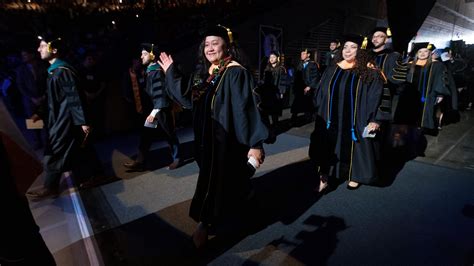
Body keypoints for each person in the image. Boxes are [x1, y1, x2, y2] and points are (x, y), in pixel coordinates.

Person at [158, 25, 268, 248]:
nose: (209, 48)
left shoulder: (236, 72)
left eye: (214, 43)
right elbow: (189, 99)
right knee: (233, 182)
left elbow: (247, 109)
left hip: (227, 141)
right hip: (206, 141)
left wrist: (255, 143)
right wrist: (171, 71)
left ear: (226, 46)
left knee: (215, 183)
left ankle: (204, 225)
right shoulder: (206, 74)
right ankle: (248, 211)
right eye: (206, 44)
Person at [26, 35, 102, 200]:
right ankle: (95, 175)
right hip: (57, 118)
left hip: (64, 120)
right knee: (79, 150)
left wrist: (82, 121)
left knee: (55, 152)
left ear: (54, 49)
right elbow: (52, 97)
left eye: (42, 46)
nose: (39, 49)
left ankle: (50, 187)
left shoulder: (63, 71)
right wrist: (39, 112)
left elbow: (73, 97)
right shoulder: (54, 71)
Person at [309, 35, 384, 191]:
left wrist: (375, 119)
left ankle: (354, 174)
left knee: (356, 146)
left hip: (356, 118)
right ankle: (325, 175)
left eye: (353, 47)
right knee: (327, 144)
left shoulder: (369, 71)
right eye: (345, 47)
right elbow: (321, 92)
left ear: (360, 51)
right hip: (331, 118)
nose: (348, 50)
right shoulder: (333, 68)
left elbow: (378, 96)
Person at [123, 43, 181, 171]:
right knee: (146, 134)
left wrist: (154, 113)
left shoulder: (156, 71)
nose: (141, 57)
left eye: (144, 54)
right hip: (153, 109)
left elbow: (160, 94)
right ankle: (140, 161)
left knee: (169, 133)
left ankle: (177, 158)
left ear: (152, 55)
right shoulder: (149, 71)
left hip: (160, 110)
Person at [391, 43, 452, 134]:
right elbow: (401, 79)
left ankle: (420, 128)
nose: (422, 53)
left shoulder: (437, 65)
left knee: (424, 112)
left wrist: (440, 93)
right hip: (409, 94)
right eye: (420, 51)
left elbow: (441, 79)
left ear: (430, 53)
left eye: (425, 51)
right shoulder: (409, 64)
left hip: (427, 94)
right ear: (416, 53)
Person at [257, 50, 287, 143]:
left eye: (273, 57)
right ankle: (267, 130)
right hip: (267, 93)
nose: (271, 59)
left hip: (276, 93)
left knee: (274, 112)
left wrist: (282, 92)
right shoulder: (267, 68)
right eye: (270, 58)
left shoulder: (281, 69)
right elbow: (263, 80)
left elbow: (283, 81)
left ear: (277, 59)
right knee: (265, 112)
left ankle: (274, 128)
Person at [291, 48, 321, 123]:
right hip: (300, 87)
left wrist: (310, 86)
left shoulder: (313, 64)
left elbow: (315, 76)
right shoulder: (300, 64)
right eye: (301, 54)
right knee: (297, 103)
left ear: (308, 55)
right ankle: (293, 119)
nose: (302, 55)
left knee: (309, 103)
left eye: (304, 54)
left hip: (309, 87)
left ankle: (309, 118)